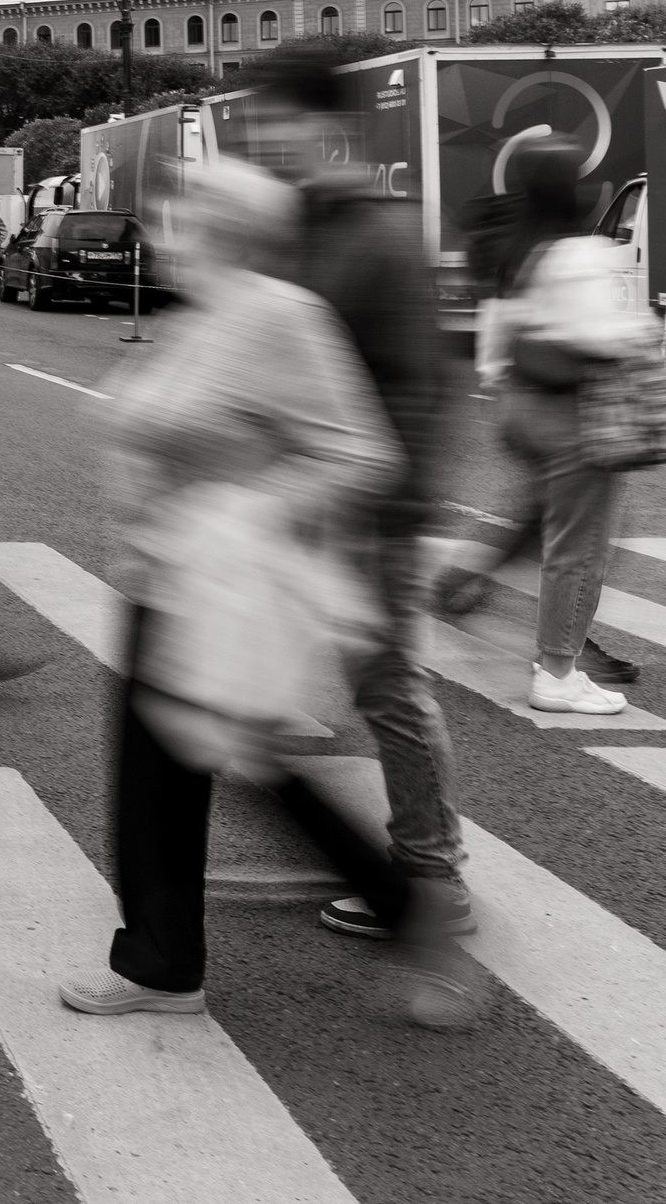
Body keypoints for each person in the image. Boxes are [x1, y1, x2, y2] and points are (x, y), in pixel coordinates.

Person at [62, 160, 478, 1028]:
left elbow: (363, 451)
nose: (166, 225)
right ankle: (164, 965)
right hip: (164, 576)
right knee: (159, 783)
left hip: (227, 585)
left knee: (253, 772)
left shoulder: (282, 315)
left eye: (188, 212)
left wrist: (246, 510)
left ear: (229, 229)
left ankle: (414, 919)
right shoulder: (200, 316)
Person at [230, 49, 474, 939]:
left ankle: (430, 875)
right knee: (257, 673)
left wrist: (381, 510)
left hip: (367, 510)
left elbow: (414, 388)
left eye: (274, 125)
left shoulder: (374, 233)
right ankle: (344, 846)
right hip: (296, 503)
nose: (262, 142)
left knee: (387, 690)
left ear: (323, 126)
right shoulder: (295, 226)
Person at [449, 134, 653, 715]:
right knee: (580, 549)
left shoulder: (520, 249)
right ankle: (558, 672)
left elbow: (494, 345)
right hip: (573, 415)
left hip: (522, 408)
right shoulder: (581, 254)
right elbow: (603, 335)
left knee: (554, 529)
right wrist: (640, 333)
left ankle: (501, 604)